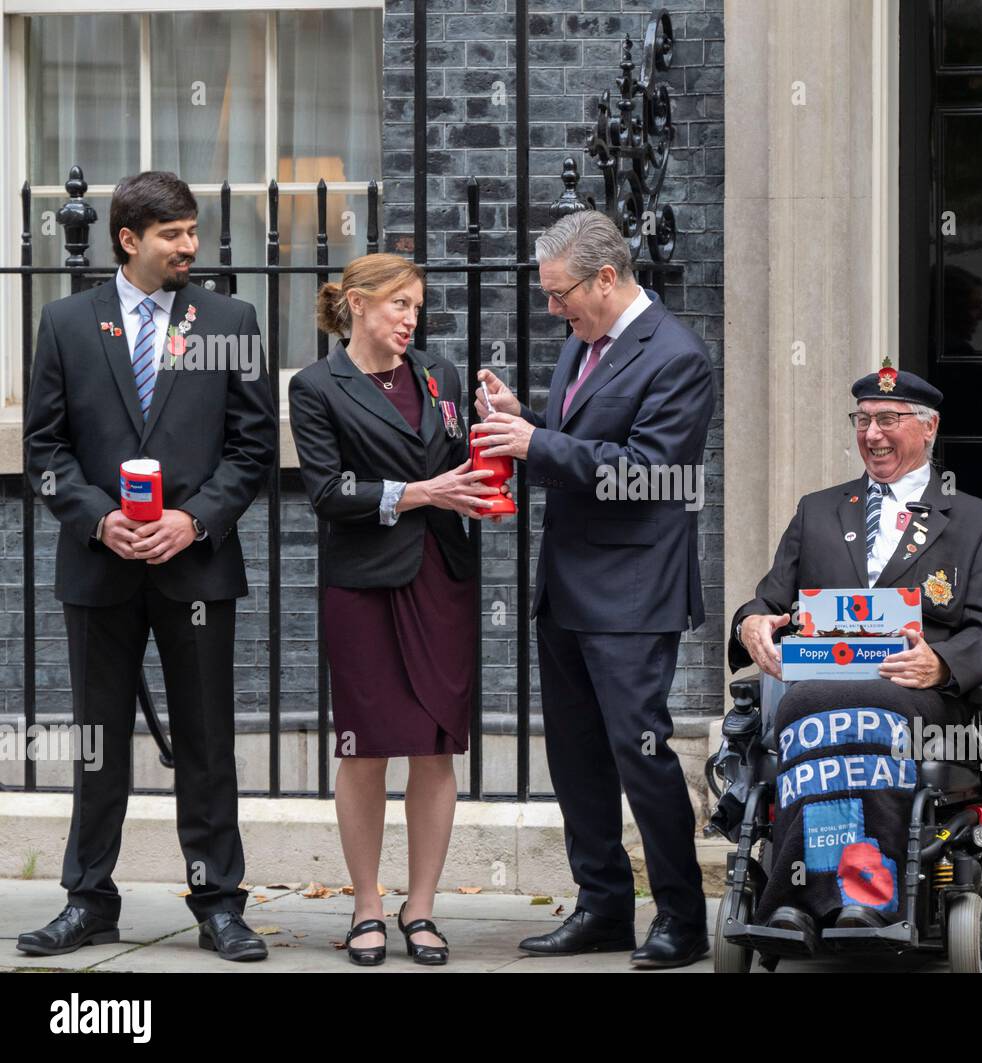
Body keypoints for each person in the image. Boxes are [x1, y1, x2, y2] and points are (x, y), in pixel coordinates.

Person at [19, 171, 277, 961]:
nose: (189, 247)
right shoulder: (64, 323)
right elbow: (44, 449)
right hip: (99, 571)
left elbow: (254, 447)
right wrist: (99, 520)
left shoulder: (231, 318)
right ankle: (89, 899)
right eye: (174, 234)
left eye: (193, 231)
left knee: (207, 741)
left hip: (196, 568)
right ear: (128, 240)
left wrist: (192, 520)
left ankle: (218, 900)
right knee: (98, 742)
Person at [473, 210, 715, 968]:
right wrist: (530, 418)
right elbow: (588, 437)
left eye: (560, 293)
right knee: (577, 756)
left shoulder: (677, 355)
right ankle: (602, 905)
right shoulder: (587, 343)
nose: (553, 309)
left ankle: (681, 917)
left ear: (606, 278)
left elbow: (645, 470)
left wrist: (537, 444)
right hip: (570, 584)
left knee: (640, 750)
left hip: (634, 592)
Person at [729, 368, 982, 939]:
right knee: (810, 710)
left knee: (854, 713)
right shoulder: (819, 511)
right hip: (815, 690)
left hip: (921, 696)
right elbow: (765, 601)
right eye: (862, 420)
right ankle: (802, 900)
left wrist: (942, 663)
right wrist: (752, 625)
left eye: (888, 420)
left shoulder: (981, 522)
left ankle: (856, 898)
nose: (873, 435)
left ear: (929, 429)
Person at [289, 253, 507, 966]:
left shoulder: (441, 376)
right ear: (356, 304)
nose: (411, 318)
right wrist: (421, 493)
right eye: (397, 305)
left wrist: (495, 426)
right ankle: (366, 905)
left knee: (435, 745)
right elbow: (327, 491)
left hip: (440, 577)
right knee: (365, 746)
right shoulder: (318, 387)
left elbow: (462, 460)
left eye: (416, 306)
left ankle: (421, 908)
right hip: (363, 585)